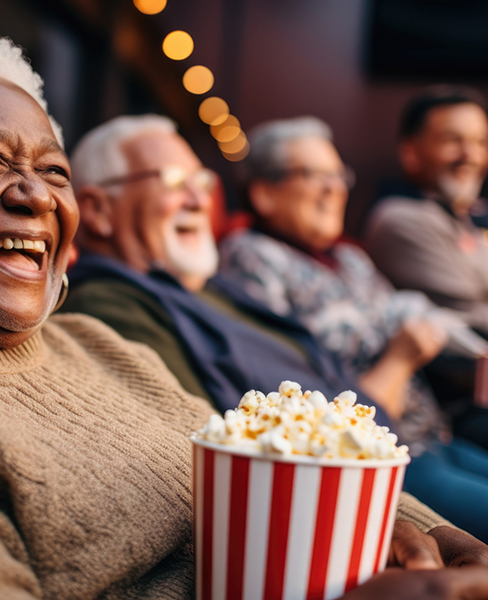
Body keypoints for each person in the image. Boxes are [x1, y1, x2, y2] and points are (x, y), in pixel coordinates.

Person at [0, 25, 476, 600]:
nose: (38, 196)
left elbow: (259, 448)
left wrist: (418, 526)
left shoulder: (100, 345)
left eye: (54, 171)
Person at [65, 114, 488, 542]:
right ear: (98, 209)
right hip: (348, 487)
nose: (199, 198)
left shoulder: (208, 287)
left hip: (397, 450)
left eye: (204, 182)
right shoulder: (111, 300)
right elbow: (197, 447)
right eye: (175, 180)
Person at [365, 87, 488, 337]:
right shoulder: (397, 218)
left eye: (480, 142)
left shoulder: (465, 216)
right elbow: (470, 310)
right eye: (453, 140)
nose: (470, 155)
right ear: (410, 153)